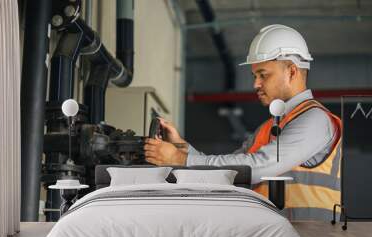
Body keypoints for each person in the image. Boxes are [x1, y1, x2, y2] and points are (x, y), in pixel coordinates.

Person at [144, 24, 342, 220]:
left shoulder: (315, 120)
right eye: (255, 76)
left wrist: (180, 160)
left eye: (263, 75)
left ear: (291, 72)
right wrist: (181, 147)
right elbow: (230, 173)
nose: (255, 84)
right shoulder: (268, 129)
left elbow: (257, 167)